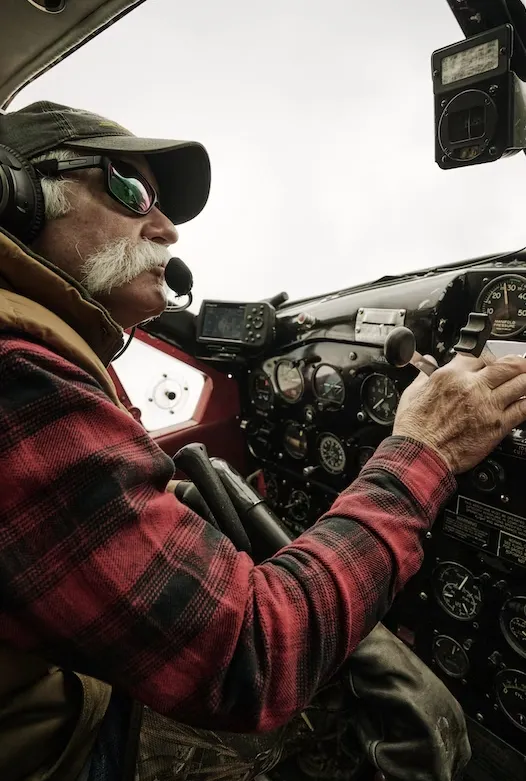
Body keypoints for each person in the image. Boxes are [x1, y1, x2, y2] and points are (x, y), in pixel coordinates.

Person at [1, 100, 526, 781]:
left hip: (46, 691)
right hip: (57, 747)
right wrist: (422, 452)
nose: (166, 229)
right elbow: (253, 654)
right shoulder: (19, 381)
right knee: (387, 729)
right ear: (15, 194)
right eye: (128, 188)